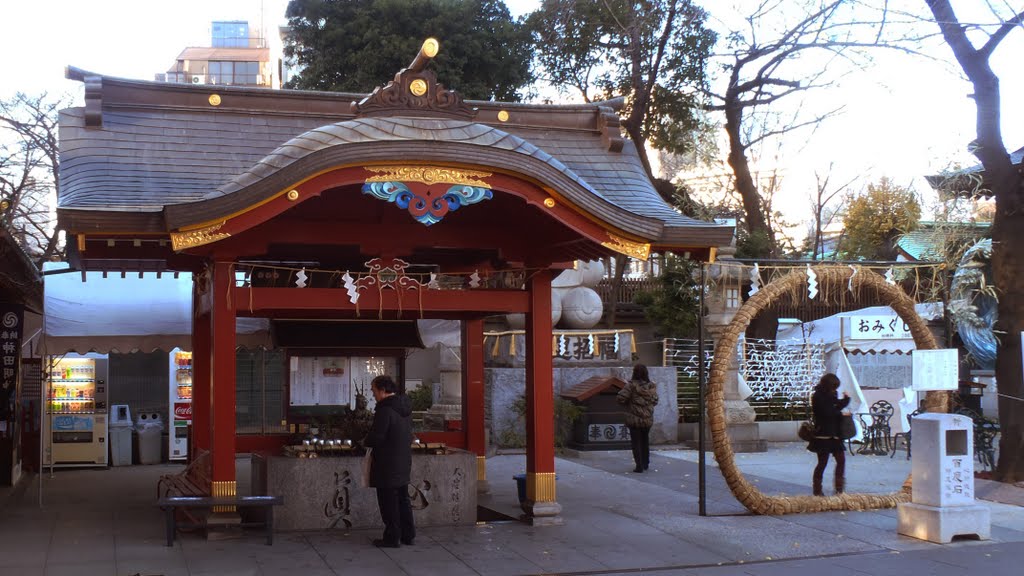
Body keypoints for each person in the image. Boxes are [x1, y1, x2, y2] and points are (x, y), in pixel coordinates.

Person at [364, 375, 415, 548]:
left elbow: (377, 437)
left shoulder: (385, 410)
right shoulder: (404, 408)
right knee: (403, 498)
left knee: (388, 502)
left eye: (374, 390)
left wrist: (365, 440)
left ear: (383, 390)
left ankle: (392, 537)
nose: (373, 394)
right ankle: (408, 535)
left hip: (386, 463)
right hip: (403, 461)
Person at [807, 373, 851, 496]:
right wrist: (840, 413)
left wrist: (846, 400)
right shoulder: (818, 396)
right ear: (828, 385)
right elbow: (827, 412)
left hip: (835, 434)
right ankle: (817, 489)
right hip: (823, 434)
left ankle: (839, 488)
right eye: (834, 387)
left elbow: (836, 405)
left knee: (841, 460)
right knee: (822, 462)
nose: (835, 390)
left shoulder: (832, 394)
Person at [617, 363, 659, 473]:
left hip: (634, 418)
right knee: (645, 440)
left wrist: (629, 404)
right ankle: (646, 463)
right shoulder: (651, 386)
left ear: (634, 373)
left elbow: (621, 398)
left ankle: (639, 465)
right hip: (647, 419)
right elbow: (655, 401)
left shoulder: (630, 385)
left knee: (636, 442)